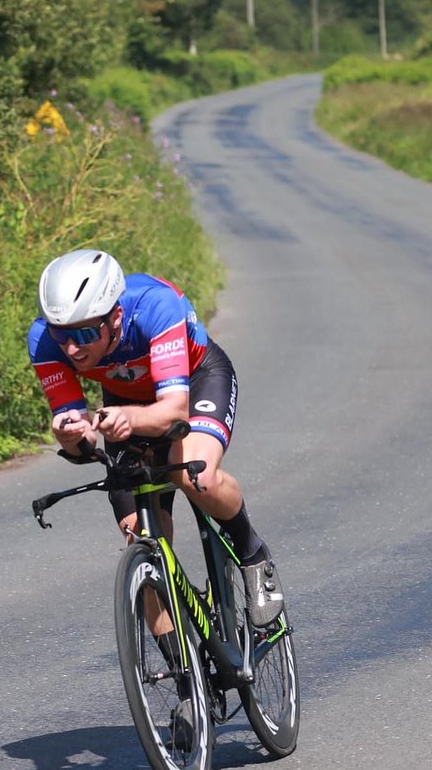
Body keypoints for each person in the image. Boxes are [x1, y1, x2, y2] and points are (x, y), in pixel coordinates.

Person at [27, 248, 283, 627]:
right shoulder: (44, 341)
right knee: (141, 544)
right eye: (60, 334)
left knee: (196, 475)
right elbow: (82, 447)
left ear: (115, 317)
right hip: (126, 403)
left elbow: (174, 411)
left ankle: (251, 552)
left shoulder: (155, 308)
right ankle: (184, 677)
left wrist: (127, 418)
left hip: (195, 383)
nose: (71, 348)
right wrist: (69, 435)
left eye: (83, 333)